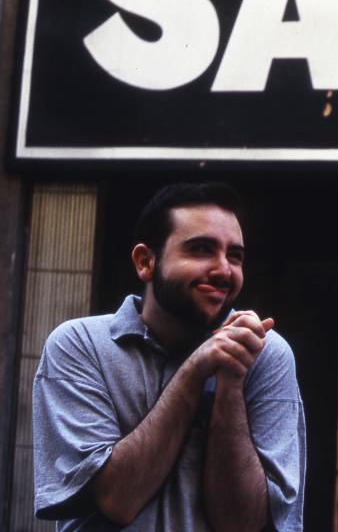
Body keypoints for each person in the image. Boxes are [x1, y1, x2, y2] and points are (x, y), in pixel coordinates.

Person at [32, 182, 305, 531]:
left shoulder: (265, 352)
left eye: (234, 255)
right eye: (202, 249)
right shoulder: (79, 345)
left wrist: (230, 380)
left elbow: (243, 524)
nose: (224, 270)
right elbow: (118, 500)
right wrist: (196, 370)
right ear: (145, 262)